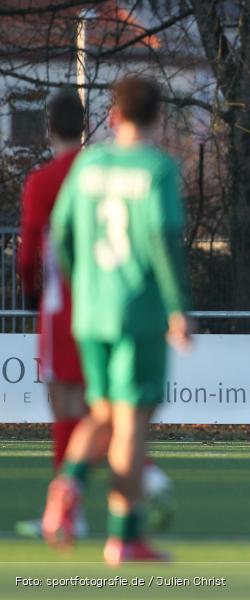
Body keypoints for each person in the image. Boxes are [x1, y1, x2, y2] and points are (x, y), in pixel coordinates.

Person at [43, 75, 192, 564]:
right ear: (158, 117)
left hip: (90, 312)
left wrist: (82, 284)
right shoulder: (157, 168)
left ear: (113, 116)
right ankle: (124, 539)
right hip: (138, 312)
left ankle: (67, 485)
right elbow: (161, 236)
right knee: (129, 425)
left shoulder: (88, 164)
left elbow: (61, 232)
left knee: (102, 414)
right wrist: (176, 307)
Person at [14, 92, 88, 539]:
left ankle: (67, 513)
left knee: (65, 407)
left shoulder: (43, 181)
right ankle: (128, 506)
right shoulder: (101, 175)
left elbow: (29, 253)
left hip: (63, 309)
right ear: (85, 127)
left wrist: (30, 292)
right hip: (111, 305)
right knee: (104, 411)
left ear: (48, 130)